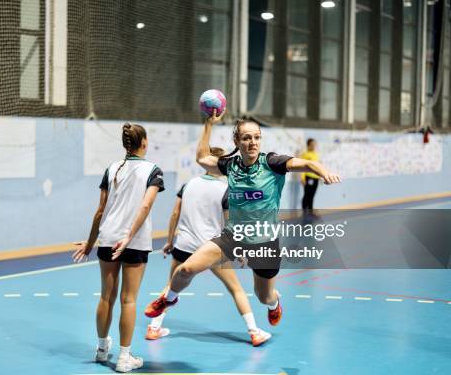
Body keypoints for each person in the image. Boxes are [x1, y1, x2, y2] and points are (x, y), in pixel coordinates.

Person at [145, 111, 340, 329]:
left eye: (256, 137)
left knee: (263, 296)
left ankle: (274, 303)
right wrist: (208, 124)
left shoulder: (273, 163)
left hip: (265, 242)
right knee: (185, 270)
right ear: (237, 141)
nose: (253, 142)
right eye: (247, 137)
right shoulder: (231, 165)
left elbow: (306, 164)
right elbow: (201, 158)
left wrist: (324, 172)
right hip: (232, 236)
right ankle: (169, 298)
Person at [147, 147, 271, 347]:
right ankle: (254, 331)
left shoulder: (188, 185)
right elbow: (231, 224)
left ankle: (154, 327)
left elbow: (174, 214)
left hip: (184, 246)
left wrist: (169, 241)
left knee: (172, 286)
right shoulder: (226, 189)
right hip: (211, 249)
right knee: (236, 288)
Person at [73, 123, 164, 373]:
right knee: (129, 299)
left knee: (106, 297)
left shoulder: (111, 168)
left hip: (107, 238)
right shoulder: (153, 170)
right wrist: (129, 236)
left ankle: (102, 349)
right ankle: (124, 358)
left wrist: (91, 242)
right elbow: (145, 207)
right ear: (143, 143)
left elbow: (100, 211)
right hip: (133, 241)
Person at [300, 138, 320, 215]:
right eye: (312, 145)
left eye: (314, 145)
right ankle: (304, 211)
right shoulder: (305, 154)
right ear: (308, 145)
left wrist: (320, 175)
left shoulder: (316, 154)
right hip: (308, 178)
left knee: (312, 195)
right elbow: (302, 167)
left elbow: (317, 166)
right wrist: (302, 178)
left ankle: (310, 211)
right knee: (307, 195)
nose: (313, 146)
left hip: (316, 178)